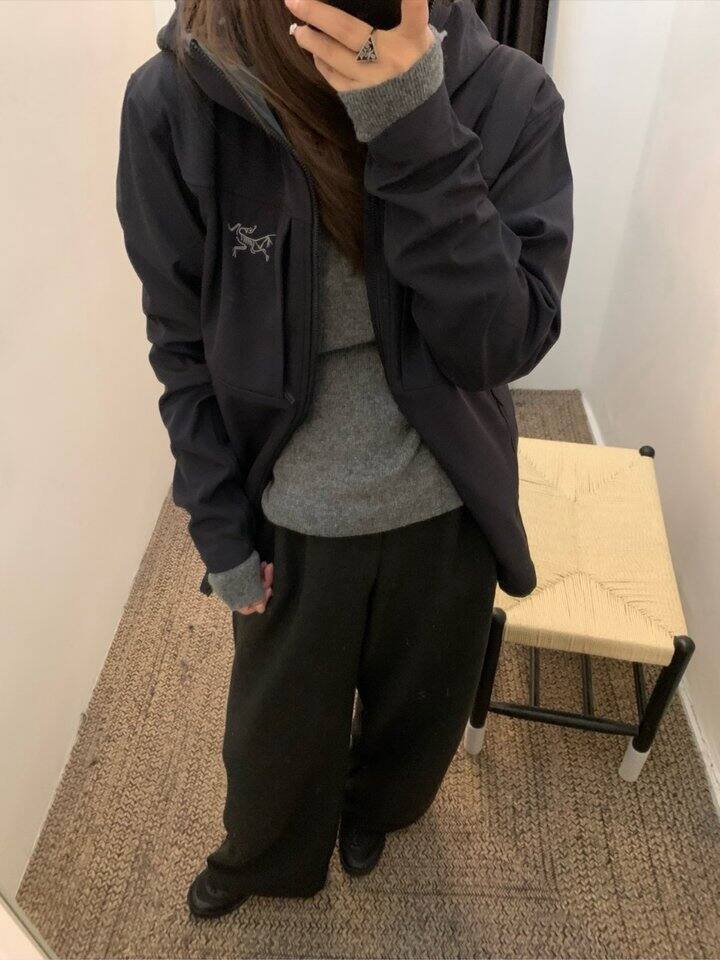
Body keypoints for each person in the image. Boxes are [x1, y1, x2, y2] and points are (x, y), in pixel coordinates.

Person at [116, 0, 573, 919]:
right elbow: (182, 341)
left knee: (417, 719)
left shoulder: (510, 94)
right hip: (291, 512)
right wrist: (217, 524)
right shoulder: (179, 100)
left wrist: (414, 120)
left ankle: (374, 814)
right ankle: (265, 859)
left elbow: (503, 342)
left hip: (448, 506)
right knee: (275, 742)